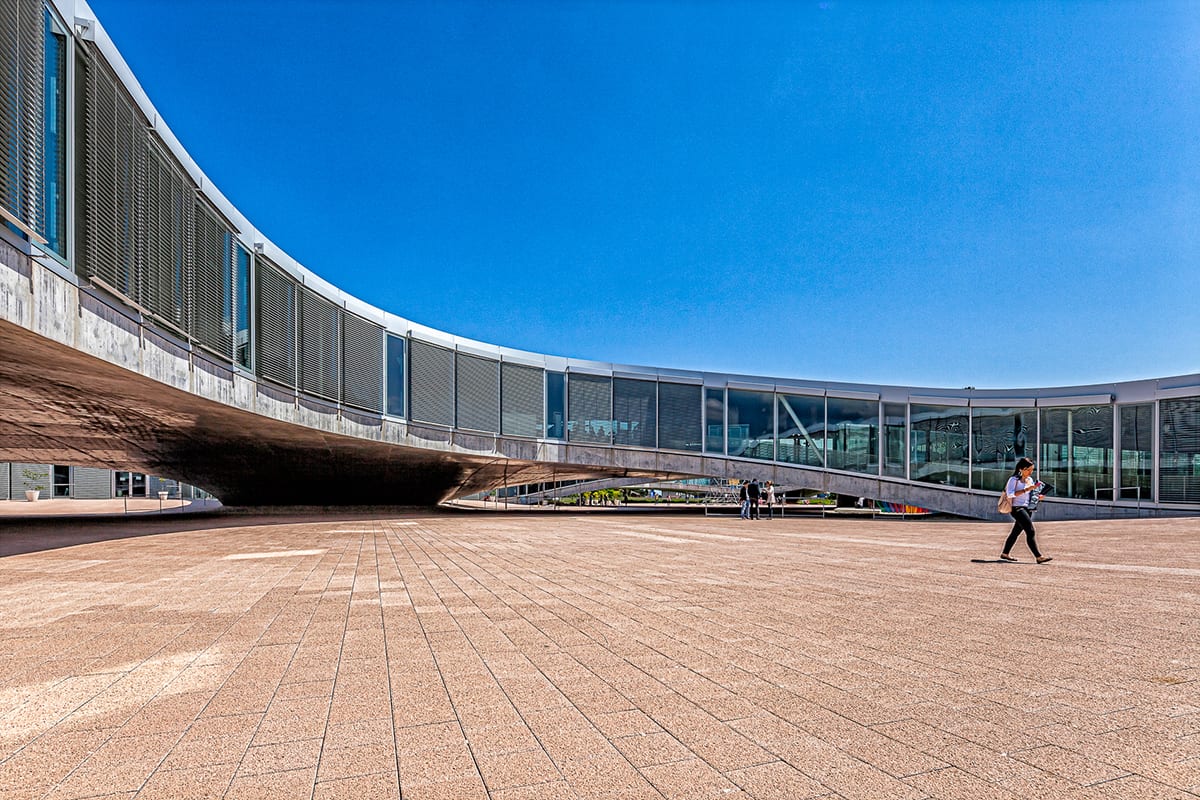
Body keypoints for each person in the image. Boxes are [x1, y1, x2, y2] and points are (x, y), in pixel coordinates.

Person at [1000, 457, 1052, 563]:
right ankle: (1038, 556)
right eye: (1028, 470)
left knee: (1015, 532)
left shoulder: (1030, 480)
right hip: (1017, 508)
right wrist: (1026, 489)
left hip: (1027, 508)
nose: (1030, 472)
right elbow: (1010, 495)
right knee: (1030, 531)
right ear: (1021, 469)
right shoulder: (1013, 480)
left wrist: (1038, 497)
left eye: (1032, 470)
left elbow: (1030, 496)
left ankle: (1005, 553)